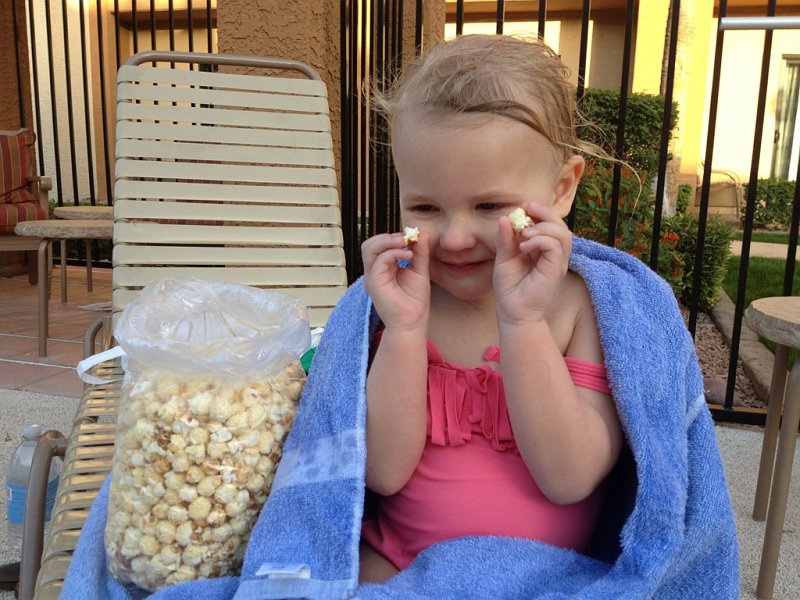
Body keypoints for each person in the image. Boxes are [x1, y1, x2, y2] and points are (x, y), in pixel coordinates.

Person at [358, 34, 624, 583]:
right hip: (396, 563)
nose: (455, 237)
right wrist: (406, 331)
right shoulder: (406, 301)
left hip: (546, 577)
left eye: (490, 205)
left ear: (561, 189)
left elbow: (569, 477)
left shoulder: (580, 306)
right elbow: (381, 473)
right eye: (425, 206)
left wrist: (522, 321)